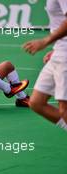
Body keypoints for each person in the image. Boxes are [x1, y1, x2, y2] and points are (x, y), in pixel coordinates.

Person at [23, 0, 67, 131]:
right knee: (37, 102)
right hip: (60, 51)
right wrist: (55, 49)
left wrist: (45, 41)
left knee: (64, 109)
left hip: (65, 55)